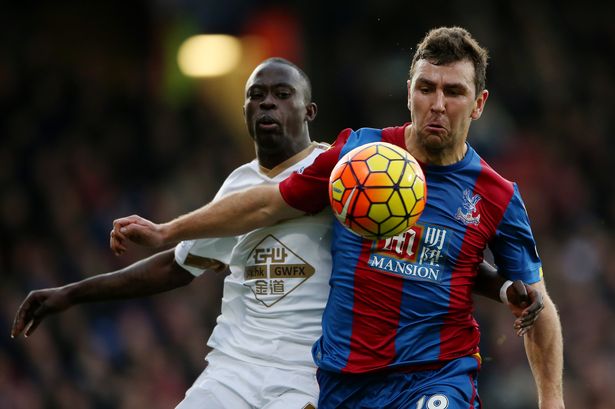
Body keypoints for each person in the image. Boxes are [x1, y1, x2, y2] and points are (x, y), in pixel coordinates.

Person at [14, 57, 544, 408]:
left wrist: (500, 287)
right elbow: (176, 266)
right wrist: (69, 294)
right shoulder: (237, 190)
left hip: (306, 376)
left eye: (281, 94)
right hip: (231, 367)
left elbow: (436, 250)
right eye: (256, 95)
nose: (267, 103)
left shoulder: (351, 177)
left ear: (308, 111)